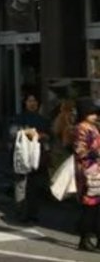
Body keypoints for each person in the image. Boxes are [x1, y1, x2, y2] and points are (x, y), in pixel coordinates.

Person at [11, 91, 50, 223]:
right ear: (25, 103)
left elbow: (49, 136)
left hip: (36, 156)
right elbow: (13, 133)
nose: (32, 103)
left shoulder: (43, 120)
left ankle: (33, 214)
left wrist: (40, 136)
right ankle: (21, 213)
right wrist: (33, 135)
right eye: (29, 101)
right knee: (21, 184)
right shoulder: (19, 118)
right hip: (22, 155)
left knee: (34, 186)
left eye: (34, 101)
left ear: (38, 104)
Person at [74, 97, 100, 252]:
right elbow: (80, 150)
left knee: (95, 208)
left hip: (96, 171)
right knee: (91, 207)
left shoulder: (92, 127)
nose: (95, 115)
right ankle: (84, 239)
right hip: (89, 173)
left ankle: (91, 239)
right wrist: (97, 152)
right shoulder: (82, 128)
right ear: (84, 113)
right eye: (92, 113)